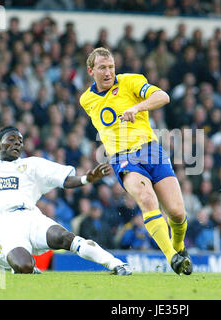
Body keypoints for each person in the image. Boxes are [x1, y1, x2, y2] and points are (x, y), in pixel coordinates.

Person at [0, 96, 131, 275]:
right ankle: (23, 267)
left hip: (31, 218)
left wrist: (86, 179)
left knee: (64, 237)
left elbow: (65, 180)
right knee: (24, 265)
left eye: (20, 141)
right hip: (2, 227)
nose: (17, 144)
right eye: (12, 139)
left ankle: (115, 264)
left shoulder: (31, 165)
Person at [79, 47, 192, 275]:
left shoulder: (131, 82)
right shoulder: (87, 100)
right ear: (91, 71)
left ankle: (179, 248)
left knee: (177, 213)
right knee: (147, 198)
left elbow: (163, 96)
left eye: (111, 67)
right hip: (124, 157)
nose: (108, 72)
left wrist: (137, 107)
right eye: (102, 68)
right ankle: (172, 257)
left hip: (152, 151)